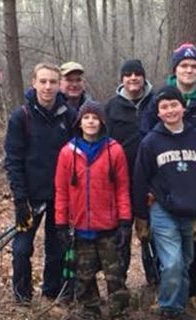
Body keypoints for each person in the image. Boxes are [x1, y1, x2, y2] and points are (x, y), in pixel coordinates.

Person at [140, 42, 196, 311]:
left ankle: (184, 300)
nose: (189, 69)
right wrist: (145, 201)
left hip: (193, 198)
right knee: (172, 261)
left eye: (194, 66)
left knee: (187, 259)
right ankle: (170, 306)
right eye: (184, 65)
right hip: (163, 198)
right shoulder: (156, 111)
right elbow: (145, 152)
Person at [3, 62, 77, 303]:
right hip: (30, 196)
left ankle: (51, 292)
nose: (48, 87)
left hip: (60, 196)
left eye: (53, 82)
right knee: (22, 249)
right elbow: (13, 161)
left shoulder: (70, 116)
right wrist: (20, 200)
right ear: (33, 82)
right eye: (43, 81)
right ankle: (22, 296)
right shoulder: (20, 117)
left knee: (56, 249)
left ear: (59, 85)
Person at [54, 101, 131, 319]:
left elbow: (123, 188)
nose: (90, 122)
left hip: (108, 226)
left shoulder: (114, 150)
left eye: (95, 118)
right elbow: (61, 190)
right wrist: (61, 222)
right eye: (86, 118)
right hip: (79, 227)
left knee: (115, 275)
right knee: (84, 276)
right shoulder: (67, 153)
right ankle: (91, 311)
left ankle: (120, 311)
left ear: (102, 122)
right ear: (79, 122)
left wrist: (125, 220)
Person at [104, 58, 159, 286]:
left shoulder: (156, 103)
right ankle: (119, 286)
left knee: (153, 234)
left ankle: (156, 282)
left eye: (137, 73)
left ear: (144, 76)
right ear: (122, 79)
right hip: (121, 181)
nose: (133, 78)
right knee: (122, 235)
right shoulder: (111, 107)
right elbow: (103, 143)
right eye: (128, 74)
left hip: (153, 179)